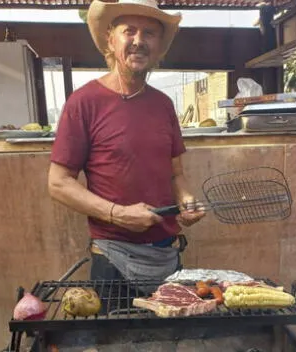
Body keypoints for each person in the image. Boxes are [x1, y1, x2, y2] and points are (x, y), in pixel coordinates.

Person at [47, 0, 205, 312]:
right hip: (113, 259)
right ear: (110, 39)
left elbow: (175, 174)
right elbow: (58, 183)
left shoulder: (162, 104)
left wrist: (186, 199)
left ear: (159, 46)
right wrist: (117, 214)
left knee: (166, 344)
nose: (138, 41)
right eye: (128, 31)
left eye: (149, 33)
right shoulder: (84, 102)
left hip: (167, 255)